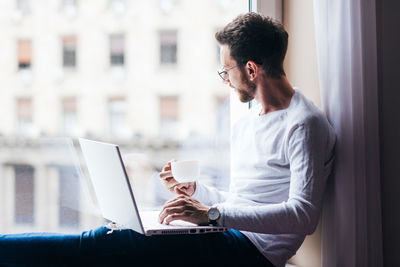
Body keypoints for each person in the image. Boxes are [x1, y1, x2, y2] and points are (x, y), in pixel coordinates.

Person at [0, 12, 335, 267]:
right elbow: (245, 201)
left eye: (226, 71)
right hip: (227, 234)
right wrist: (196, 194)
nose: (225, 81)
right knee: (120, 231)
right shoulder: (248, 120)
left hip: (254, 252)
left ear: (250, 69)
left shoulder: (304, 124)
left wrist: (211, 215)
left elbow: (302, 215)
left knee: (104, 243)